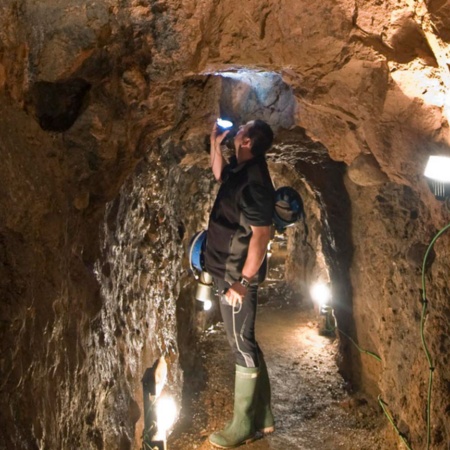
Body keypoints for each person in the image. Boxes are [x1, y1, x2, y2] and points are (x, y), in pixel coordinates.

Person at [204, 119, 276, 448]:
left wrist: (243, 282)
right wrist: (215, 144)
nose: (237, 131)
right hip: (226, 270)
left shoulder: (256, 182)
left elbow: (262, 235)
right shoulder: (241, 169)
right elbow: (219, 174)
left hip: (235, 277)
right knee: (245, 340)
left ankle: (243, 424)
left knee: (240, 345)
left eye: (241, 129)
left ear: (246, 140)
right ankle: (263, 417)